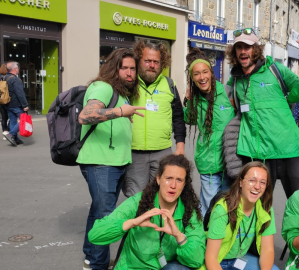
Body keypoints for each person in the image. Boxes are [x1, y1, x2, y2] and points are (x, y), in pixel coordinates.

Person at [225, 27, 299, 199]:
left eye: (247, 47)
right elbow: (221, 103)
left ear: (256, 49)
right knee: (257, 209)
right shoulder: (235, 81)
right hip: (257, 155)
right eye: (238, 47)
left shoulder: (275, 70)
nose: (243, 51)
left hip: (289, 151)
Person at [77, 48, 145, 270]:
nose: (128, 73)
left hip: (114, 163)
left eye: (132, 69)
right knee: (105, 216)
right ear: (113, 68)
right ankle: (99, 264)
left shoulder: (121, 92)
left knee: (98, 210)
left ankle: (91, 257)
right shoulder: (103, 87)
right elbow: (85, 116)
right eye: (123, 67)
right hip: (101, 163)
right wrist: (120, 113)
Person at [88, 155, 206, 270]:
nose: (173, 185)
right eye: (168, 178)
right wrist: (132, 222)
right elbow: (95, 235)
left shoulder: (189, 211)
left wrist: (179, 236)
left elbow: (197, 260)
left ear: (184, 185)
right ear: (158, 179)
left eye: (179, 180)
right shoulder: (138, 202)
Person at [123, 39, 186, 198]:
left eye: (156, 62)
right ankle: (139, 224)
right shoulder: (130, 83)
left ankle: (157, 223)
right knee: (136, 198)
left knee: (160, 197)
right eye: (147, 61)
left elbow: (178, 117)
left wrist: (180, 147)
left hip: (162, 153)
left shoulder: (169, 84)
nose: (152, 65)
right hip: (134, 152)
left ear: (162, 63)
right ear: (139, 60)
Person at [183, 47, 235, 216]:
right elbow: (189, 119)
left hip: (230, 162)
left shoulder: (227, 93)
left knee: (228, 206)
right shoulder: (195, 99)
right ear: (192, 77)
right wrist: (187, 100)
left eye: (205, 72)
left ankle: (225, 241)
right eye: (196, 74)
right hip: (208, 162)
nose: (202, 77)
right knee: (209, 207)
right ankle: (206, 240)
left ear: (211, 73)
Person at [203, 162, 279, 270]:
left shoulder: (266, 209)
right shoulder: (223, 209)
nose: (257, 187)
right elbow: (211, 258)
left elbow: (267, 250)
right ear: (241, 182)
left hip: (240, 259)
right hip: (218, 261)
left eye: (262, 182)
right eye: (252, 180)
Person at [2, 61, 28, 146]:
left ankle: (16, 139)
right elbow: (20, 93)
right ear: (15, 69)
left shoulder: (4, 78)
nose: (18, 70)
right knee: (23, 120)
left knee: (13, 121)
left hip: (7, 103)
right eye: (18, 68)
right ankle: (11, 134)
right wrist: (25, 105)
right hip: (16, 104)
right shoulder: (15, 79)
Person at [0, 64, 9, 139]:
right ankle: (8, 131)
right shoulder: (8, 77)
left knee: (4, 117)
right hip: (6, 99)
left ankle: (4, 132)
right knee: (11, 116)